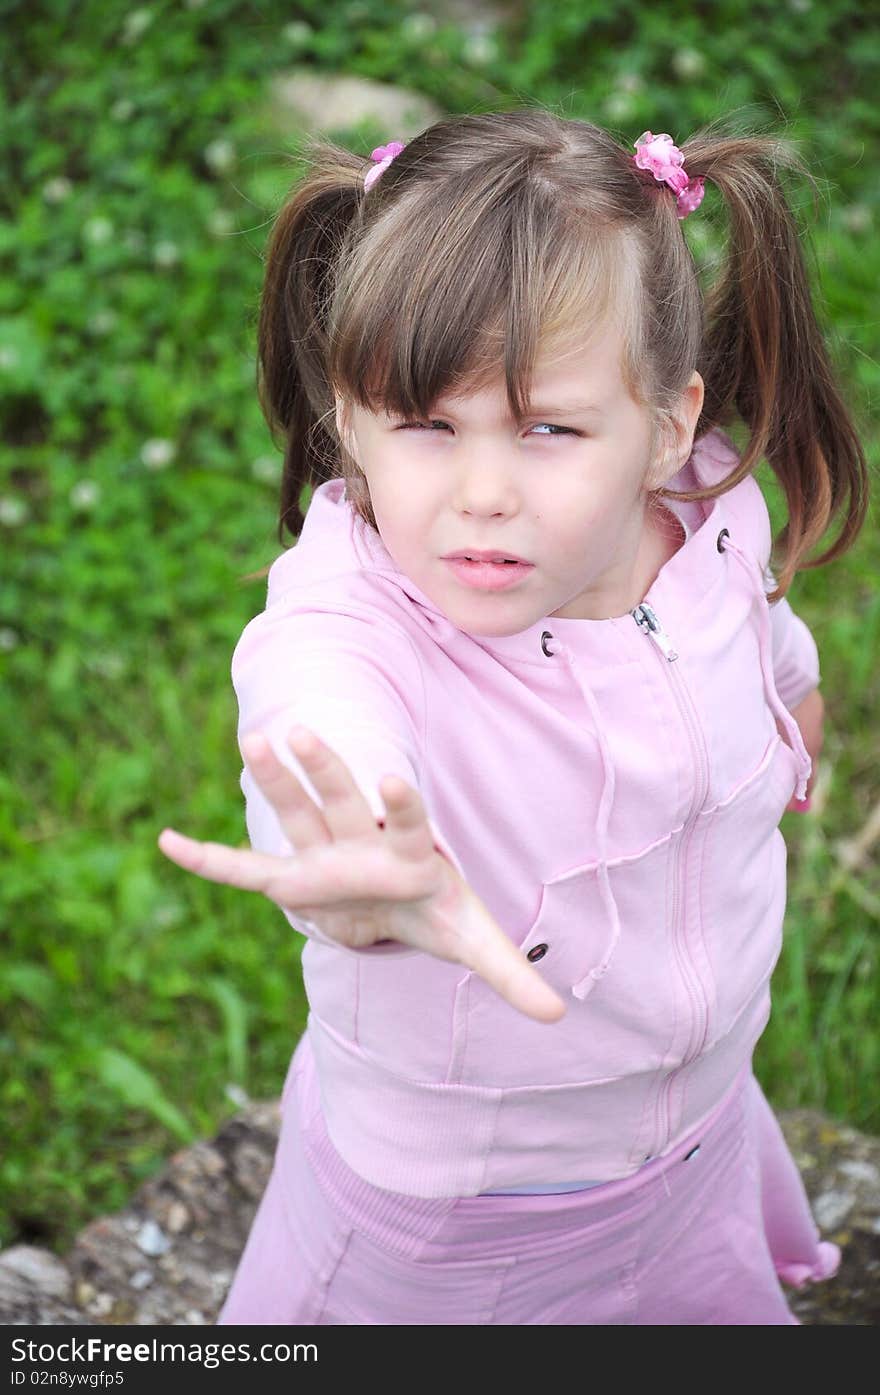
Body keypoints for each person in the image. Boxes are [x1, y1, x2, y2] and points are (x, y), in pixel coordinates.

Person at [157, 109, 868, 1324]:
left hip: (693, 1139)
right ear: (349, 417)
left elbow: (754, 635)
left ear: (669, 426)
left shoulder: (709, 523)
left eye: (548, 428)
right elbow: (318, 708)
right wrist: (350, 874)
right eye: (427, 425)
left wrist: (788, 709)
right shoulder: (356, 618)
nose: (482, 494)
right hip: (457, 1231)